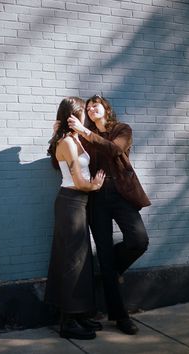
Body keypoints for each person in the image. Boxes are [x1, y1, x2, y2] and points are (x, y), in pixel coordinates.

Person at [68, 94, 151, 335]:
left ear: (106, 109)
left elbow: (115, 149)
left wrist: (84, 131)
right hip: (96, 197)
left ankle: (110, 270)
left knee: (139, 240)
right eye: (88, 107)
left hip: (122, 193)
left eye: (96, 105)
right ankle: (120, 316)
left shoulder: (121, 129)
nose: (92, 108)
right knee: (103, 252)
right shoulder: (84, 137)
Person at [46, 97, 105, 340]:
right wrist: (95, 186)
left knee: (81, 261)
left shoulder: (75, 139)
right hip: (71, 204)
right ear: (74, 115)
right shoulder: (68, 143)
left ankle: (79, 314)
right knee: (72, 262)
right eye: (82, 113)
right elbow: (79, 182)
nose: (86, 117)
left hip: (78, 204)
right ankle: (67, 323)